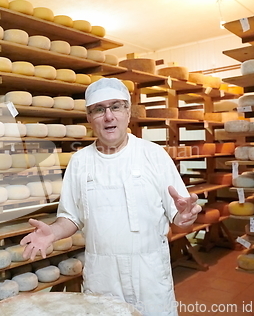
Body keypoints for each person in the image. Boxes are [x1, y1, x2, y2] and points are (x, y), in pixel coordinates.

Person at [21, 77, 201, 316]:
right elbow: (71, 217)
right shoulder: (80, 162)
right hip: (102, 276)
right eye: (99, 109)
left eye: (116, 106)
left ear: (128, 112)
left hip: (148, 273)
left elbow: (178, 213)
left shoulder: (154, 155)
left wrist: (184, 216)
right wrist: (53, 232)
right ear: (89, 119)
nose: (108, 116)